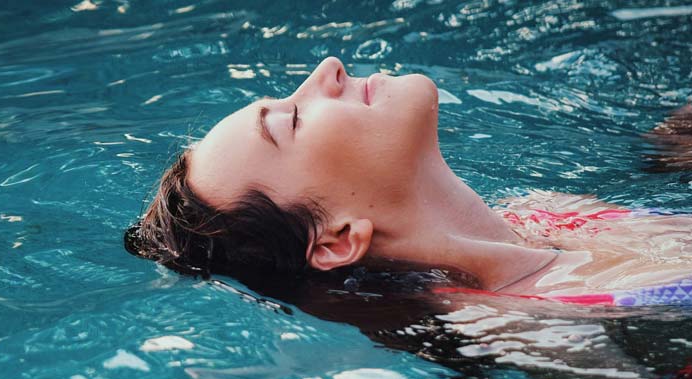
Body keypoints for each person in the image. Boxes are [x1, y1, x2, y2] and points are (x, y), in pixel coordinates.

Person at [125, 56, 692, 307]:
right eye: (292, 120)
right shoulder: (537, 323)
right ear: (337, 240)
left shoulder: (547, 210)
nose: (328, 69)